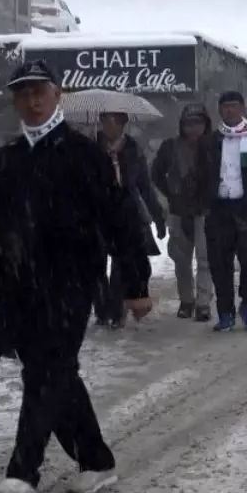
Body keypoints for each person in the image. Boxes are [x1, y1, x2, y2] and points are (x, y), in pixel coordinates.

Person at [0, 60, 153, 493]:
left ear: (57, 95)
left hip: (71, 284)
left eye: (39, 91)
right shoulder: (7, 160)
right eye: (22, 93)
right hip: (20, 286)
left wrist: (135, 283)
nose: (32, 101)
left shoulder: (85, 155)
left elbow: (121, 220)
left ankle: (23, 471)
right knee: (57, 374)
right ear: (14, 99)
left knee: (45, 371)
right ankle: (96, 459)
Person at [196, 90, 247, 331]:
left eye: (234, 106)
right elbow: (200, 177)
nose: (229, 111)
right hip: (219, 210)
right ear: (220, 111)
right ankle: (225, 313)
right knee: (219, 264)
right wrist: (200, 205)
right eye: (225, 107)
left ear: (243, 109)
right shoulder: (212, 142)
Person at [94, 111, 165, 329]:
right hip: (98, 212)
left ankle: (116, 310)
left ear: (123, 125)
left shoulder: (132, 149)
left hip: (126, 213)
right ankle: (102, 307)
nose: (110, 126)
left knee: (121, 263)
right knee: (95, 263)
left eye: (115, 122)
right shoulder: (91, 149)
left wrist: (158, 216)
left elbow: (144, 184)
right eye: (106, 121)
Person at [151, 103, 214, 322]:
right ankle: (186, 300)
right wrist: (171, 193)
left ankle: (204, 302)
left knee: (205, 258)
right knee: (181, 259)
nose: (193, 128)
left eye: (198, 123)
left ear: (205, 124)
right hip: (179, 211)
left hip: (205, 211)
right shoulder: (170, 147)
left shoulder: (213, 147)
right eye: (189, 123)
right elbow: (156, 173)